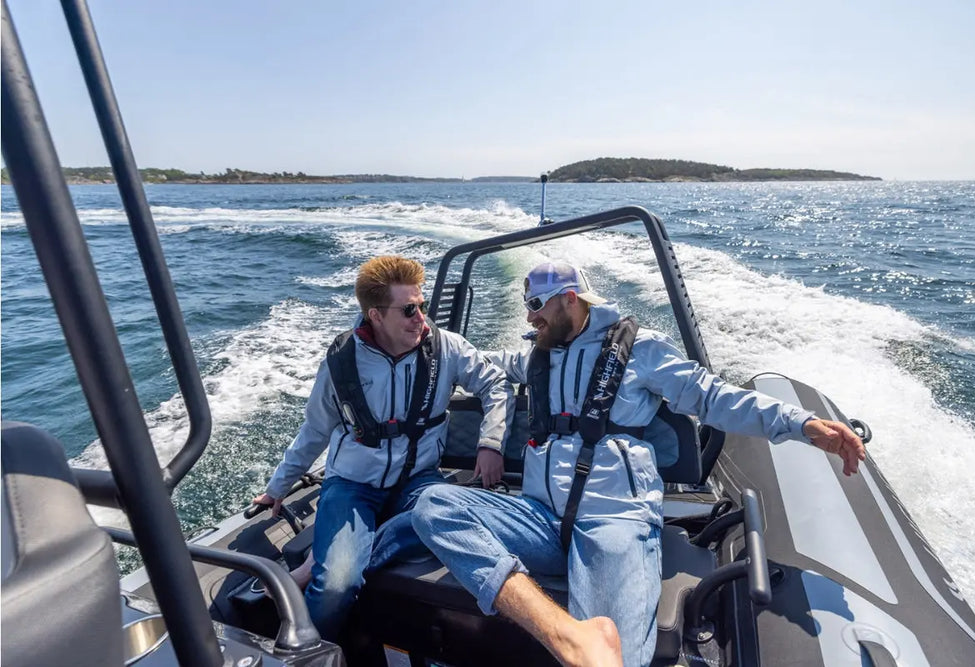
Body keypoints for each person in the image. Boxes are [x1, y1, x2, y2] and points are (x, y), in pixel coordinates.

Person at [411, 261, 866, 667]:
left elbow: (711, 397)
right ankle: (559, 628)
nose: (529, 316)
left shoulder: (642, 350)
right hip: (540, 518)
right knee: (434, 505)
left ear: (570, 299)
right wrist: (419, 343)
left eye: (535, 304)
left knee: (615, 659)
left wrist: (801, 424)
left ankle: (578, 639)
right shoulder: (538, 355)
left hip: (612, 521)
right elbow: (483, 365)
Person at [252, 255, 512, 640]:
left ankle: (318, 560)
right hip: (352, 485)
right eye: (408, 310)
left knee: (461, 522)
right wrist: (277, 488)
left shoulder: (446, 349)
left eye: (421, 306)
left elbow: (496, 384)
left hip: (418, 481)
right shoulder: (342, 363)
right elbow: (315, 430)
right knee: (339, 583)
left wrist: (490, 443)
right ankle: (305, 655)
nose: (420, 318)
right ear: (376, 316)